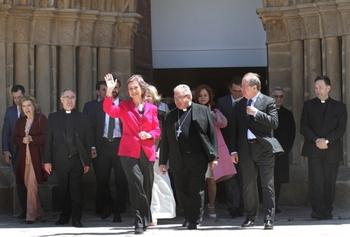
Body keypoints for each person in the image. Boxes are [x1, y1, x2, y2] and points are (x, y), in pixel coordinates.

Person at [103, 73, 161, 235]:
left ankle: (145, 215)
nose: (133, 91)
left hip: (147, 151)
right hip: (128, 151)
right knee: (136, 184)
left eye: (135, 88)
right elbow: (109, 109)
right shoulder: (123, 106)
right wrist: (109, 91)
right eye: (130, 89)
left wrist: (150, 135)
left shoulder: (152, 108)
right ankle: (139, 220)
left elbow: (157, 130)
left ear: (142, 89)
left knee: (147, 186)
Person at [159, 84, 218, 230]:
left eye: (180, 98)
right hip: (177, 159)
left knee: (196, 189)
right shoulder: (170, 115)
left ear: (189, 97)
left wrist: (214, 157)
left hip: (197, 158)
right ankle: (187, 214)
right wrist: (162, 162)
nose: (177, 101)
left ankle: (194, 219)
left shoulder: (202, 110)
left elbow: (212, 134)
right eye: (175, 98)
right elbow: (165, 141)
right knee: (180, 190)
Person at [229, 72, 283, 230]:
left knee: (267, 184)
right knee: (248, 185)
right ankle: (250, 217)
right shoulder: (238, 104)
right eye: (241, 86)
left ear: (255, 87)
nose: (241, 89)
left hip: (263, 148)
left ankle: (269, 218)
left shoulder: (268, 102)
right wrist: (233, 151)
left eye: (245, 86)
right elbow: (233, 129)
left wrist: (257, 113)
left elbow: (274, 123)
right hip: (245, 149)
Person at [300, 76, 347, 220]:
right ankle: (318, 210)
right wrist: (316, 140)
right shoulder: (308, 105)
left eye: (320, 87)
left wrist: (326, 141)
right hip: (314, 149)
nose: (317, 90)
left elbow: (341, 129)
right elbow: (304, 127)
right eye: (315, 87)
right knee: (316, 181)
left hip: (331, 149)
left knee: (329, 182)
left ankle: (327, 210)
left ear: (328, 88)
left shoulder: (339, 107)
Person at [44, 89, 92, 228]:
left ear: (76, 100)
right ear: (61, 99)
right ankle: (64, 216)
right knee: (63, 189)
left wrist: (87, 161)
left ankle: (76, 218)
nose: (69, 100)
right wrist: (47, 160)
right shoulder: (53, 117)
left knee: (76, 190)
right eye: (67, 97)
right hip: (60, 160)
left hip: (77, 160)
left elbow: (88, 141)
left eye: (72, 97)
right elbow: (49, 141)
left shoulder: (83, 118)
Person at [194, 84, 236, 219]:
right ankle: (198, 208)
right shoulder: (192, 110)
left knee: (212, 179)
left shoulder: (215, 110)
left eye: (205, 95)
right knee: (198, 180)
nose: (202, 98)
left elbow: (224, 123)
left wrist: (213, 115)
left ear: (210, 97)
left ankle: (211, 205)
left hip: (212, 150)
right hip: (198, 150)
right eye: (200, 95)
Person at [89, 79, 128, 222]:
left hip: (120, 144)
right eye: (111, 87)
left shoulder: (125, 106)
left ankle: (120, 208)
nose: (114, 89)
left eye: (117, 87)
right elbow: (91, 128)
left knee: (121, 179)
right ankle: (109, 204)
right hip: (103, 145)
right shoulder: (97, 107)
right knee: (102, 178)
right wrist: (92, 146)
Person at [12, 95, 46, 224]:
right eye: (24, 106)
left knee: (32, 184)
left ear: (34, 106)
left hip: (36, 158)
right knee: (27, 184)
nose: (27, 108)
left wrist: (33, 139)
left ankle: (30, 215)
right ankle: (39, 211)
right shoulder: (20, 122)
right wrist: (22, 140)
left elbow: (47, 136)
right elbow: (14, 138)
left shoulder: (41, 119)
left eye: (29, 105)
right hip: (23, 158)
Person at [145, 85, 175, 226]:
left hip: (158, 154)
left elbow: (166, 137)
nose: (146, 98)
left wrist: (159, 152)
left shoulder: (162, 115)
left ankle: (160, 212)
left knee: (160, 183)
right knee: (146, 184)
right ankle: (150, 213)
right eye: (144, 95)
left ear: (155, 98)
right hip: (141, 152)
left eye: (149, 95)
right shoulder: (136, 113)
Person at [216, 76, 244, 218]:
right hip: (226, 145)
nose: (237, 94)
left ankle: (243, 205)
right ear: (230, 89)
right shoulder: (222, 102)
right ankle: (233, 207)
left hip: (244, 146)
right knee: (230, 177)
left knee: (244, 177)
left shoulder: (248, 102)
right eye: (234, 91)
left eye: (240, 91)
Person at [2, 85, 27, 219]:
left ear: (24, 94)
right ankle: (25, 210)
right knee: (20, 182)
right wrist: (6, 150)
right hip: (15, 153)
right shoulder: (10, 112)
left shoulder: (33, 109)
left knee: (31, 181)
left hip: (30, 151)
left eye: (19, 97)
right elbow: (5, 132)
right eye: (14, 98)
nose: (17, 100)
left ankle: (34, 208)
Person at [270, 86, 296, 213]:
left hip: (281, 153)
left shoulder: (288, 114)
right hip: (267, 152)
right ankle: (266, 204)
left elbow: (292, 134)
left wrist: (285, 150)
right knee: (266, 179)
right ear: (271, 97)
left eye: (281, 96)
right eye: (276, 96)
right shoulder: (266, 112)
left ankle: (274, 205)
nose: (278, 99)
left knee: (278, 180)